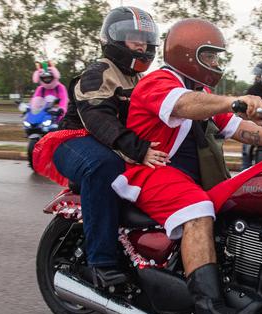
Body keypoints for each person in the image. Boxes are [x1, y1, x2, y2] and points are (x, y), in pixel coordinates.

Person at [111, 19, 262, 314]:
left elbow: (238, 128)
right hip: (147, 169)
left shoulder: (203, 93)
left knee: (240, 197)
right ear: (188, 54)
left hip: (176, 174)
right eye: (209, 56)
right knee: (198, 209)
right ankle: (210, 313)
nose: (215, 64)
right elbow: (182, 105)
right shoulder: (160, 82)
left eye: (215, 57)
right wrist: (234, 100)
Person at [35, 6, 166, 287]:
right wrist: (137, 148)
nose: (141, 44)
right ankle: (100, 262)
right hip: (73, 141)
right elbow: (98, 118)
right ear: (114, 39)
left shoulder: (138, 79)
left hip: (109, 144)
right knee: (103, 166)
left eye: (145, 38)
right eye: (133, 38)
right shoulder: (99, 72)